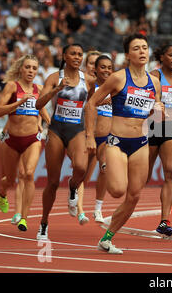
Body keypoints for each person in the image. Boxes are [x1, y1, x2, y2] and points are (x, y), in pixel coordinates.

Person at [84, 34, 163, 254]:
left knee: (134, 196)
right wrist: (90, 136)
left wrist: (157, 112)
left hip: (140, 143)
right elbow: (91, 104)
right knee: (118, 190)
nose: (142, 51)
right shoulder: (118, 78)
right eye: (136, 48)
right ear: (128, 54)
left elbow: (154, 113)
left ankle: (107, 238)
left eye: (145, 47)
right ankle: (107, 165)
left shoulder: (154, 82)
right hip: (117, 142)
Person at [35, 43, 93, 240]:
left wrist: (103, 103)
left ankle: (73, 186)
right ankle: (43, 223)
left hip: (77, 129)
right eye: (73, 54)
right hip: (57, 129)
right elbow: (38, 104)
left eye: (80, 54)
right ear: (64, 56)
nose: (77, 57)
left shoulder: (88, 80)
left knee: (81, 168)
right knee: (52, 181)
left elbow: (92, 104)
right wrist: (56, 89)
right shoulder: (54, 77)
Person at [0, 54, 50, 231]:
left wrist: (47, 123)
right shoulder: (12, 86)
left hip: (32, 139)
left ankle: (24, 218)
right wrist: (20, 102)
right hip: (12, 139)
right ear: (21, 69)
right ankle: (3, 194)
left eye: (34, 68)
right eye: (27, 67)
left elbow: (41, 109)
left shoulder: (39, 88)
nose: (31, 71)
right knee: (10, 180)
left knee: (28, 174)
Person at [147, 44, 172, 236]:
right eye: (171, 55)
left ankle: (164, 221)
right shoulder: (154, 76)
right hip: (153, 126)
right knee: (142, 177)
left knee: (171, 171)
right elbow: (152, 100)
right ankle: (124, 205)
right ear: (161, 57)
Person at [75, 50, 101, 225]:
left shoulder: (110, 83)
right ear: (86, 66)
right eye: (91, 63)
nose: (94, 67)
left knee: (86, 177)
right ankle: (81, 211)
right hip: (82, 133)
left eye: (97, 64)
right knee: (80, 171)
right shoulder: (81, 83)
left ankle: (96, 207)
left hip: (103, 136)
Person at [90, 55, 114, 223]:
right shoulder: (90, 85)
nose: (106, 70)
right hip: (89, 135)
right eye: (103, 67)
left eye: (109, 67)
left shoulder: (116, 87)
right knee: (81, 175)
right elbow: (88, 105)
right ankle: (74, 190)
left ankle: (98, 208)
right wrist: (106, 100)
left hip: (107, 137)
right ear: (95, 69)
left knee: (104, 169)